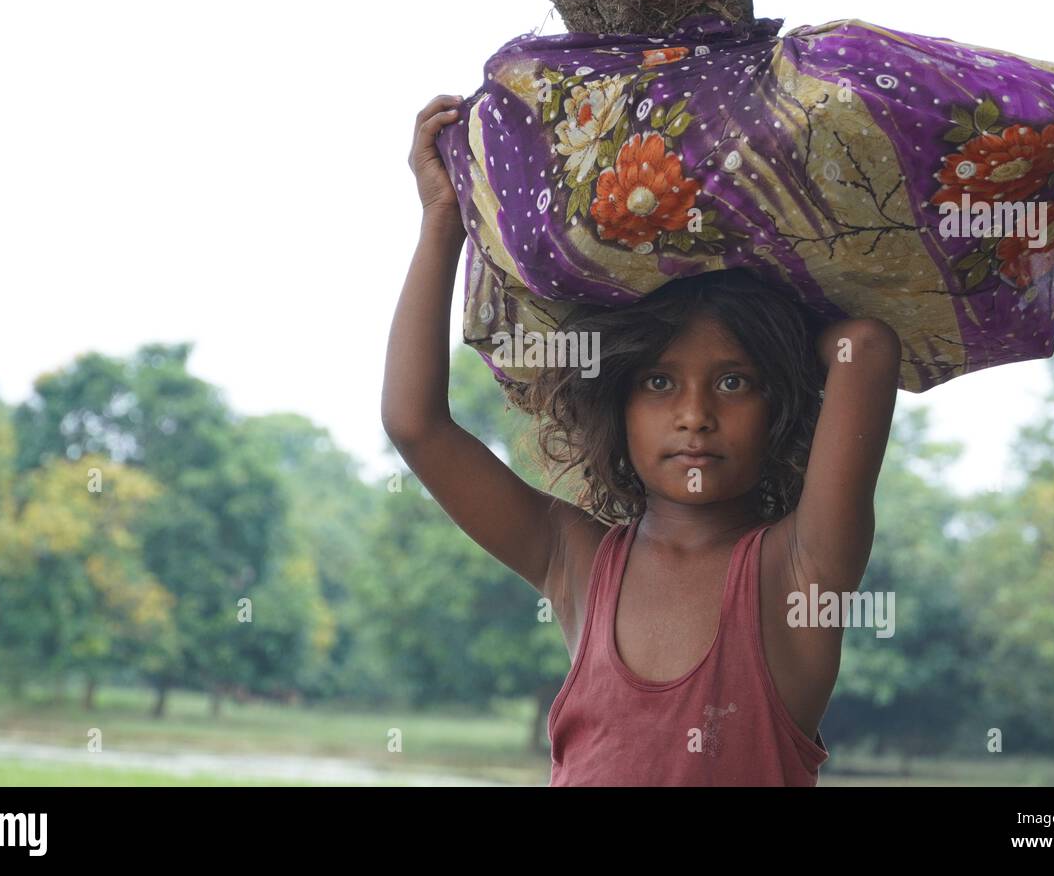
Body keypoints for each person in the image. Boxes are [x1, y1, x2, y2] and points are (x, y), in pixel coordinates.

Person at [383, 94, 901, 785]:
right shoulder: (575, 559)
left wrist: (779, 331)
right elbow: (415, 425)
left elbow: (863, 348)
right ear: (616, 407)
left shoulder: (801, 569)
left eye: (734, 383)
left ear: (777, 408)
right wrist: (441, 219)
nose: (695, 415)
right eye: (659, 384)